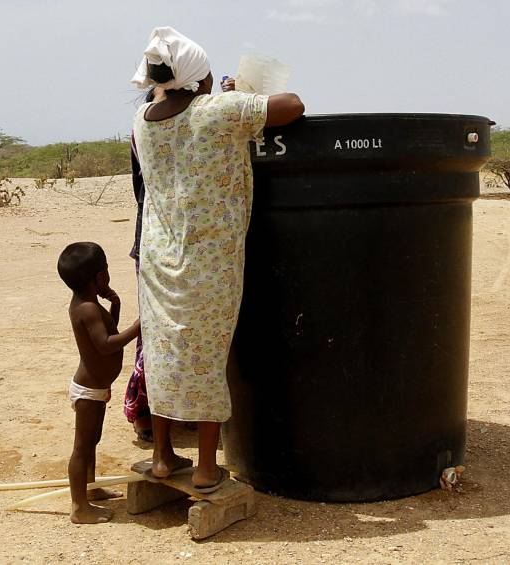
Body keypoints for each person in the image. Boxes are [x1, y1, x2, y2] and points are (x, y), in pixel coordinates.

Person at [130, 27, 305, 492]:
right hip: (209, 262)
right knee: (207, 358)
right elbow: (292, 105)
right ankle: (207, 465)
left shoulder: (142, 119)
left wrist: (222, 96)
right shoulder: (220, 111)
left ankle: (163, 455)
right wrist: (237, 94)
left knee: (165, 354)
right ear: (199, 76)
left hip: (158, 257)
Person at [57, 242, 141, 523]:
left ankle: (90, 490)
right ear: (100, 277)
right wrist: (138, 327)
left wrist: (115, 304)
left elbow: (108, 330)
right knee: (82, 446)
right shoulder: (88, 309)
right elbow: (106, 344)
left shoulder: (89, 305)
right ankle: (79, 507)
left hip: (96, 388)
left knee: (93, 439)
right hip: (88, 391)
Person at [123, 86, 165, 443]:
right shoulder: (149, 126)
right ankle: (144, 410)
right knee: (153, 334)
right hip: (154, 241)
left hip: (158, 241)